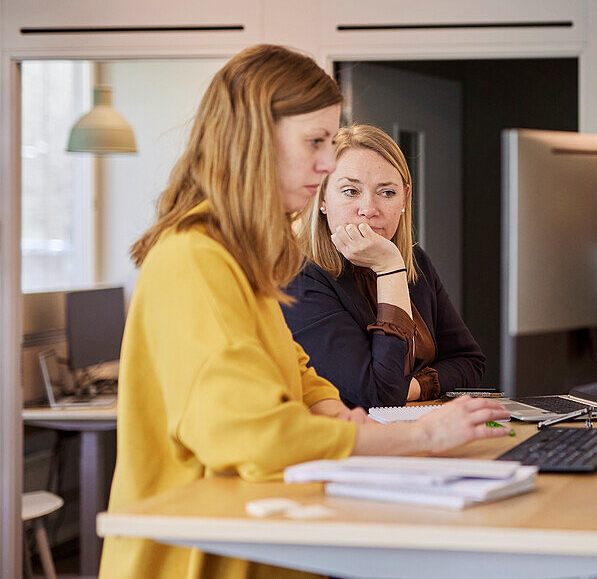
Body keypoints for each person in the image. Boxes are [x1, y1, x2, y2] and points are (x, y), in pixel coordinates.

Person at [100, 46, 508, 579]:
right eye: (315, 142)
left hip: (266, 543)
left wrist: (330, 411)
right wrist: (420, 436)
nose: (325, 161)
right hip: (203, 558)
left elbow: (296, 371)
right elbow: (255, 434)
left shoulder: (241, 253)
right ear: (251, 141)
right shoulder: (193, 259)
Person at [282, 124, 485, 408]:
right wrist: (389, 268)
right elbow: (379, 395)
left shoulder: (416, 261)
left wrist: (412, 387)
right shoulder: (300, 278)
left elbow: (470, 363)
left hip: (422, 431)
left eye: (387, 193)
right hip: (352, 444)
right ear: (323, 198)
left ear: (404, 198)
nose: (369, 208)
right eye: (351, 191)